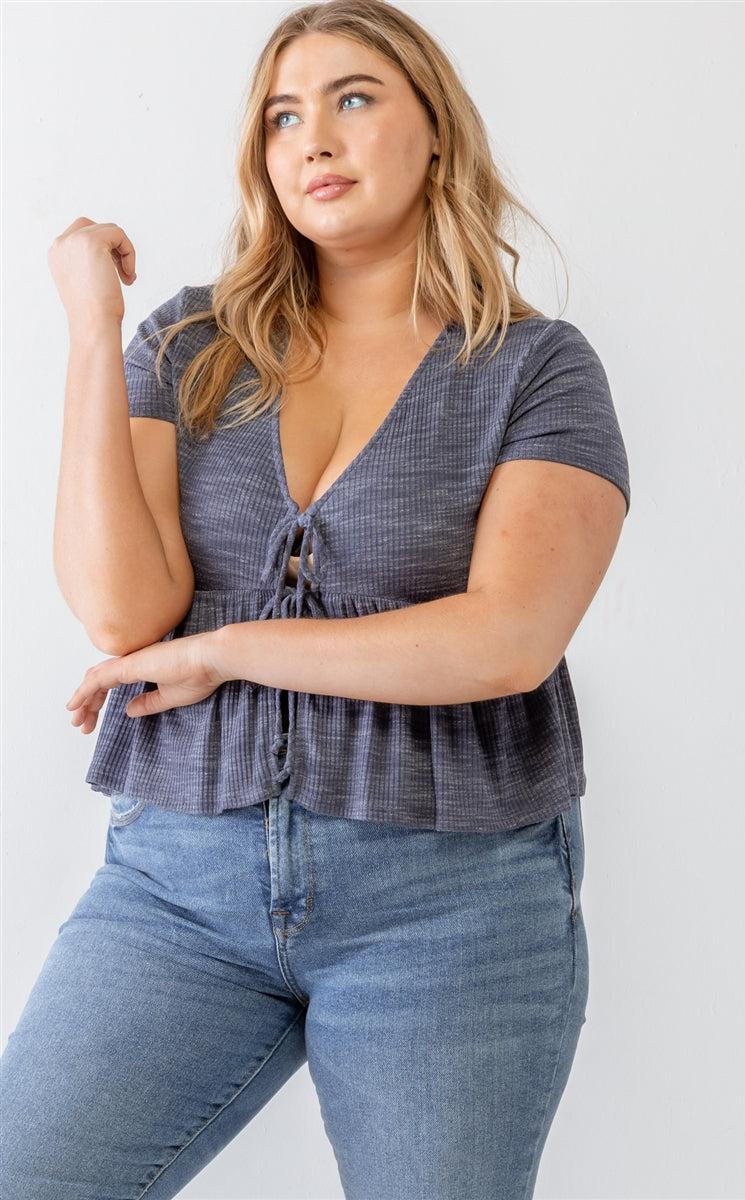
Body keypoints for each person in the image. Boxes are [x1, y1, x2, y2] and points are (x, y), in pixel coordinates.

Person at [1, 2, 631, 1196]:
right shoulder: (189, 342)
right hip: (177, 887)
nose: (312, 140)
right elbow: (124, 617)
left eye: (353, 99)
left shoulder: (537, 371)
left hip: (449, 908)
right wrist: (91, 329)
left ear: (435, 130)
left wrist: (231, 651)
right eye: (283, 116)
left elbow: (507, 637)